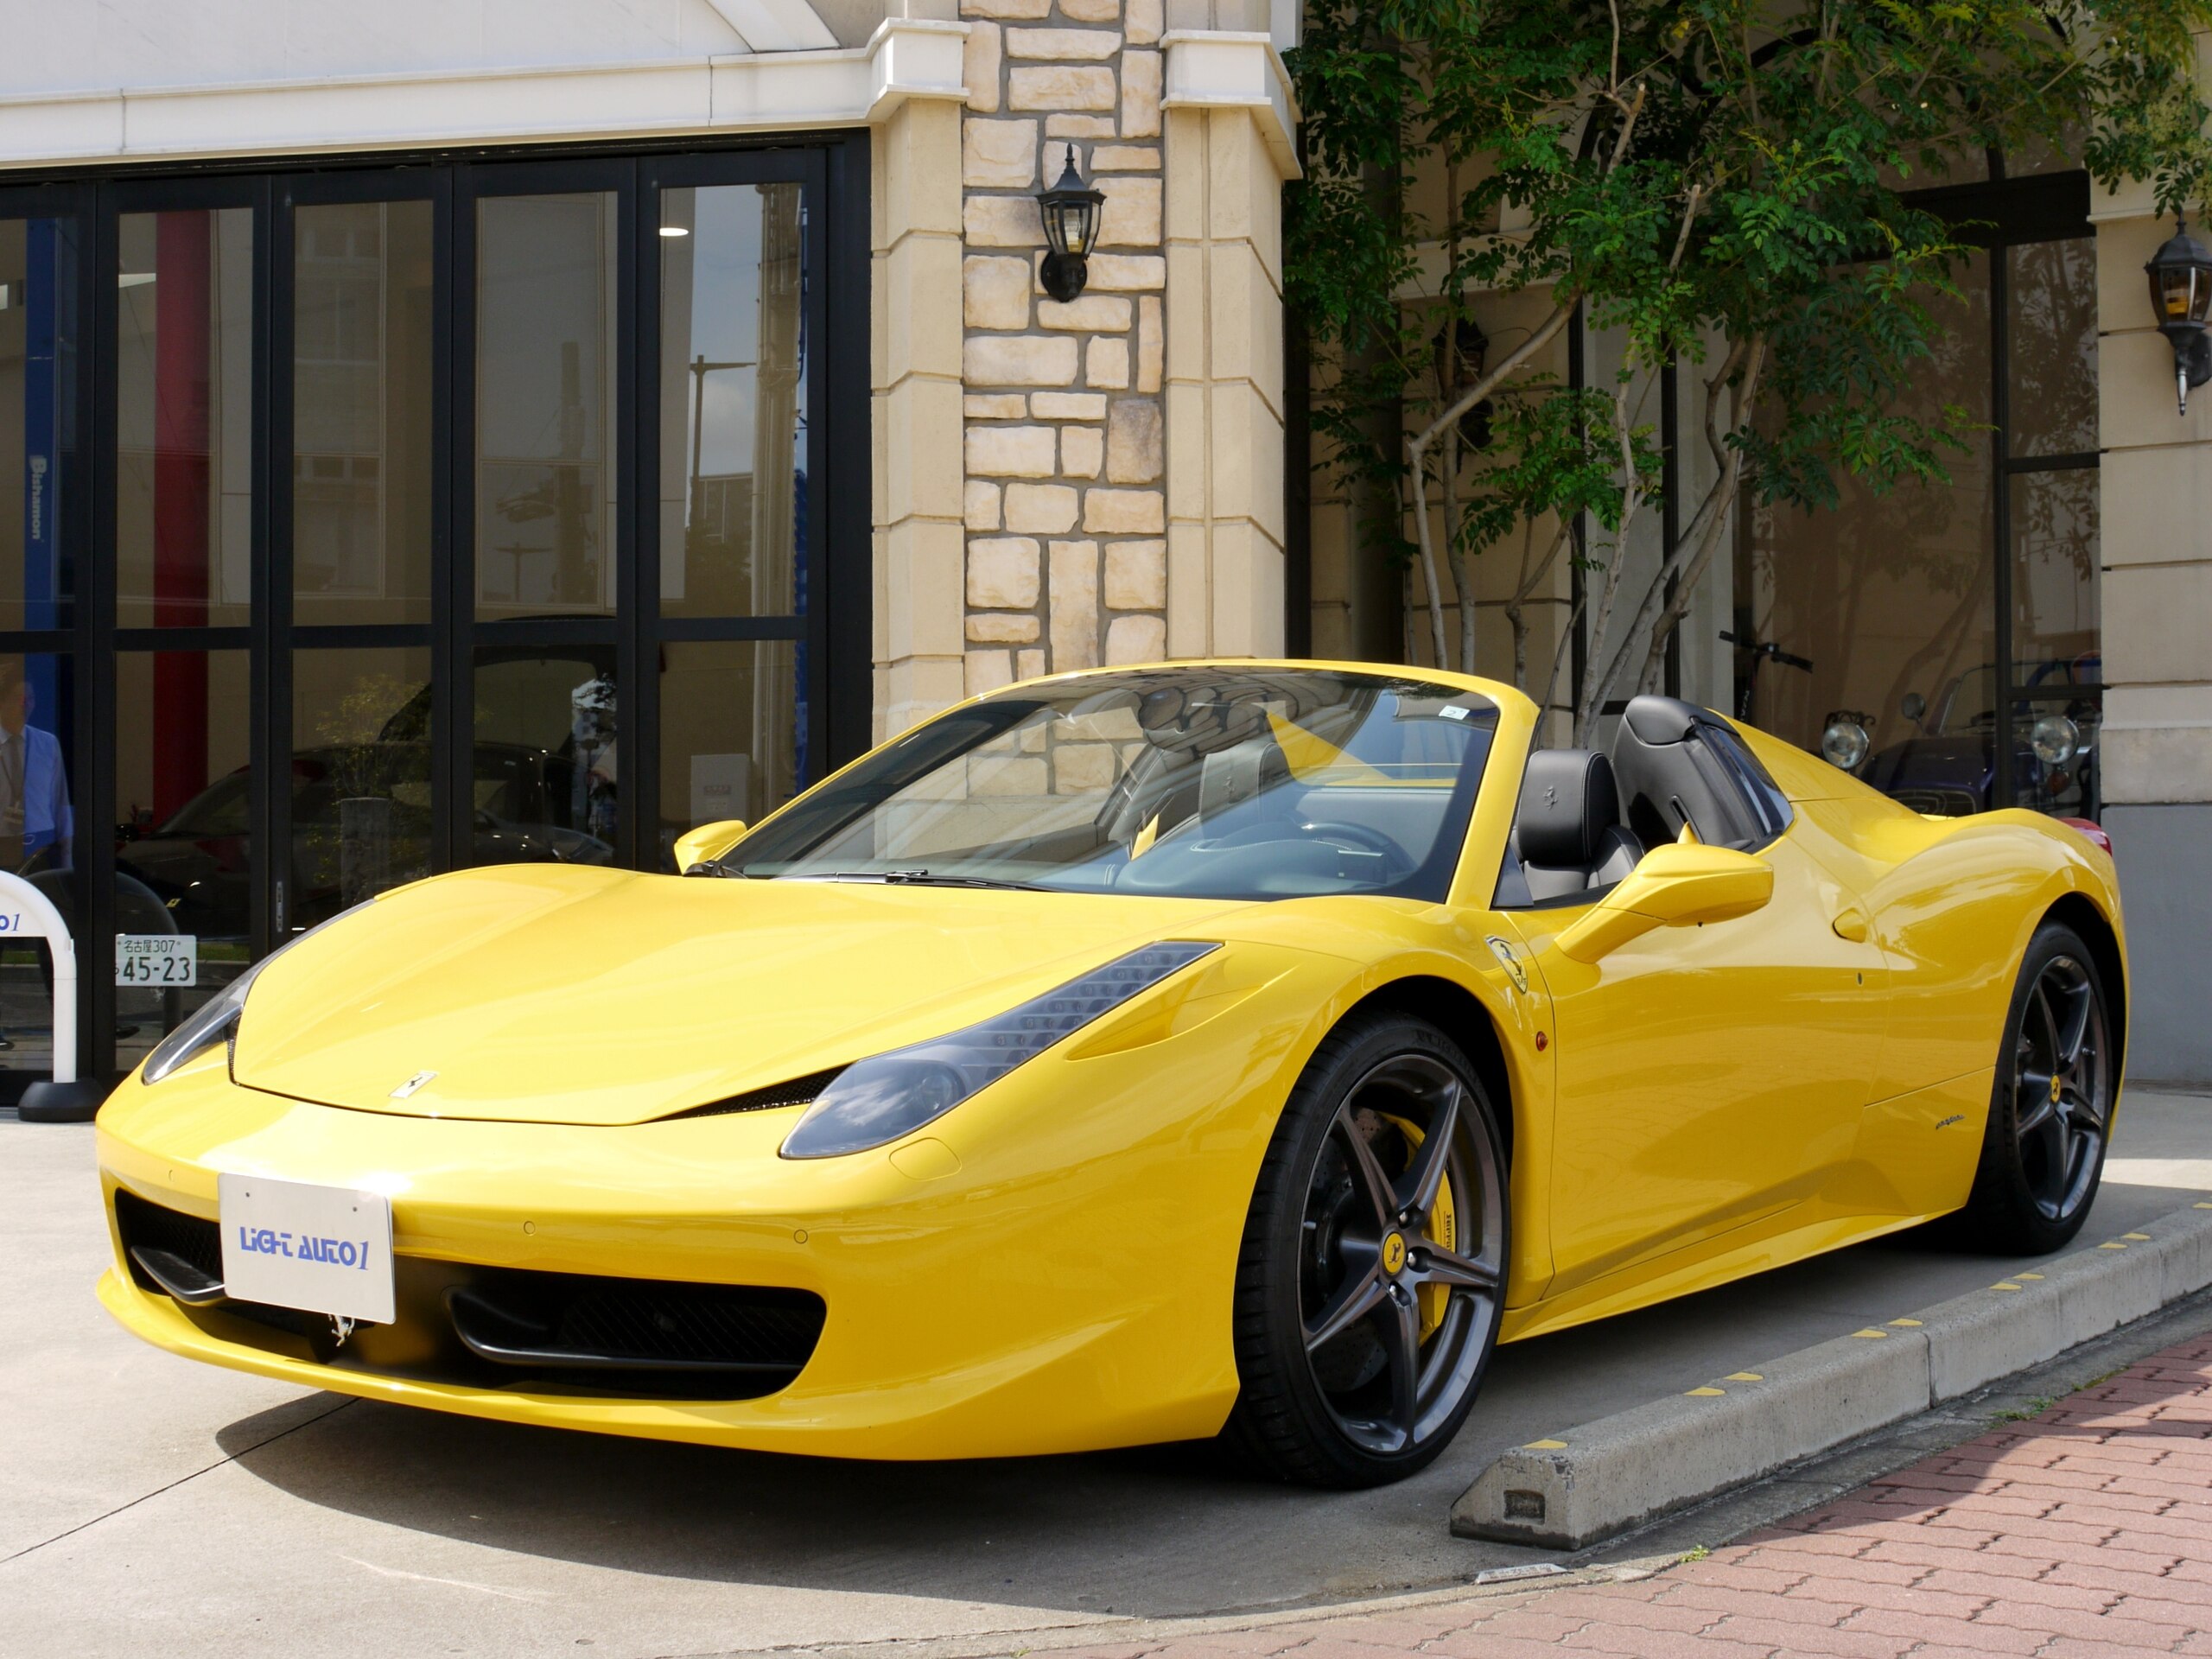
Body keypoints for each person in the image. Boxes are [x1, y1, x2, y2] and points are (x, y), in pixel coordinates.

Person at [0, 657, 71, 1053]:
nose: (25, 704)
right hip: (0, 850)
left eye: (30, 698)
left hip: (41, 849)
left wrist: (67, 854)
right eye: (17, 698)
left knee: (52, 939)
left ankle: (65, 1018)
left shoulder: (47, 743)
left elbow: (61, 802)